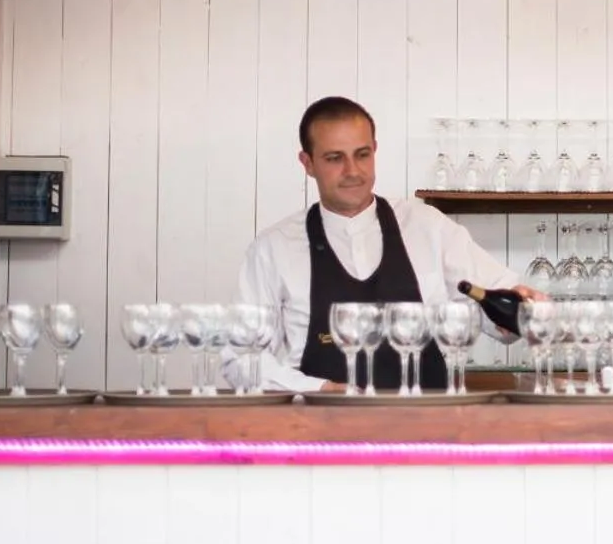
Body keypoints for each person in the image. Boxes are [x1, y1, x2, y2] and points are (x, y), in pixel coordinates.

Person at [223, 96, 541, 393]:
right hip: (321, 434)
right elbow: (239, 358)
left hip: (428, 432)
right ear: (307, 163)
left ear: (375, 150)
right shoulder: (273, 249)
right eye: (335, 158)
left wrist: (527, 313)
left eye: (362, 155)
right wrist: (317, 389)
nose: (353, 172)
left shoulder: (428, 227)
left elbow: (506, 313)